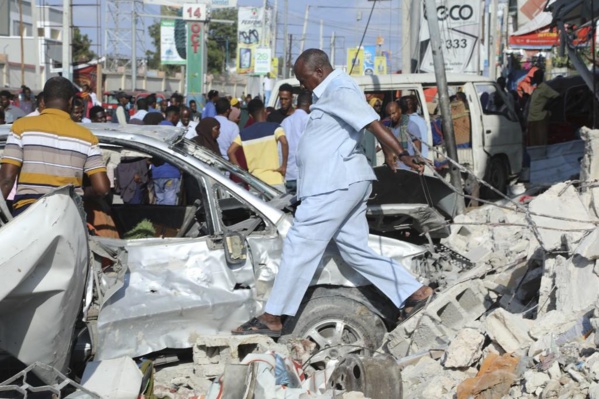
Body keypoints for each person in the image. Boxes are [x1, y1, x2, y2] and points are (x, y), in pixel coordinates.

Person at [232, 49, 432, 337]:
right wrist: (391, 153)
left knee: (300, 243)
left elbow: (371, 123)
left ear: (319, 72)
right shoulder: (331, 92)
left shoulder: (339, 89)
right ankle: (415, 292)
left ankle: (273, 316)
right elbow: (364, 125)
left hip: (334, 184)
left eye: (304, 80)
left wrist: (401, 153)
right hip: (340, 182)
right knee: (355, 250)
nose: (304, 87)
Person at [0, 76, 110, 216]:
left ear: (43, 101)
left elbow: (6, 180)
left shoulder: (21, 127)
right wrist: (80, 190)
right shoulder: (87, 137)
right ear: (71, 101)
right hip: (69, 215)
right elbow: (102, 188)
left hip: (28, 214)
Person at [227, 99, 288, 191]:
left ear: (250, 116)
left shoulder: (244, 133)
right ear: (264, 110)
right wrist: (283, 166)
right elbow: (284, 142)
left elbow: (230, 151)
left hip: (256, 183)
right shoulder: (275, 127)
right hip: (275, 180)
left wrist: (241, 172)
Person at [280, 90, 311, 193]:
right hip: (302, 175)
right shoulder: (308, 120)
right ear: (309, 104)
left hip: (287, 175)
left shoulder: (285, 122)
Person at [153, 106, 182, 205]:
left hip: (156, 173)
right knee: (170, 203)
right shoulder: (175, 132)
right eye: (179, 117)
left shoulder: (155, 130)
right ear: (174, 116)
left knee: (160, 201)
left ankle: (160, 220)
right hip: (171, 173)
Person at [526, 81, 560, 147]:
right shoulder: (535, 89)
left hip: (540, 117)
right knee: (532, 141)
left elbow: (557, 97)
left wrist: (548, 106)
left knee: (540, 140)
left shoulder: (544, 88)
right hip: (531, 118)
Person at [399, 95, 428, 161]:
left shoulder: (410, 121)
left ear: (409, 105)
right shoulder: (420, 120)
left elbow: (419, 144)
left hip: (413, 159)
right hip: (418, 159)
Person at [384, 101, 412, 170]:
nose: (391, 116)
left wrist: (413, 168)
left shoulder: (411, 126)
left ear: (399, 110)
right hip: (394, 167)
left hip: (407, 168)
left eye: (393, 113)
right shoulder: (387, 128)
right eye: (389, 114)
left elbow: (418, 149)